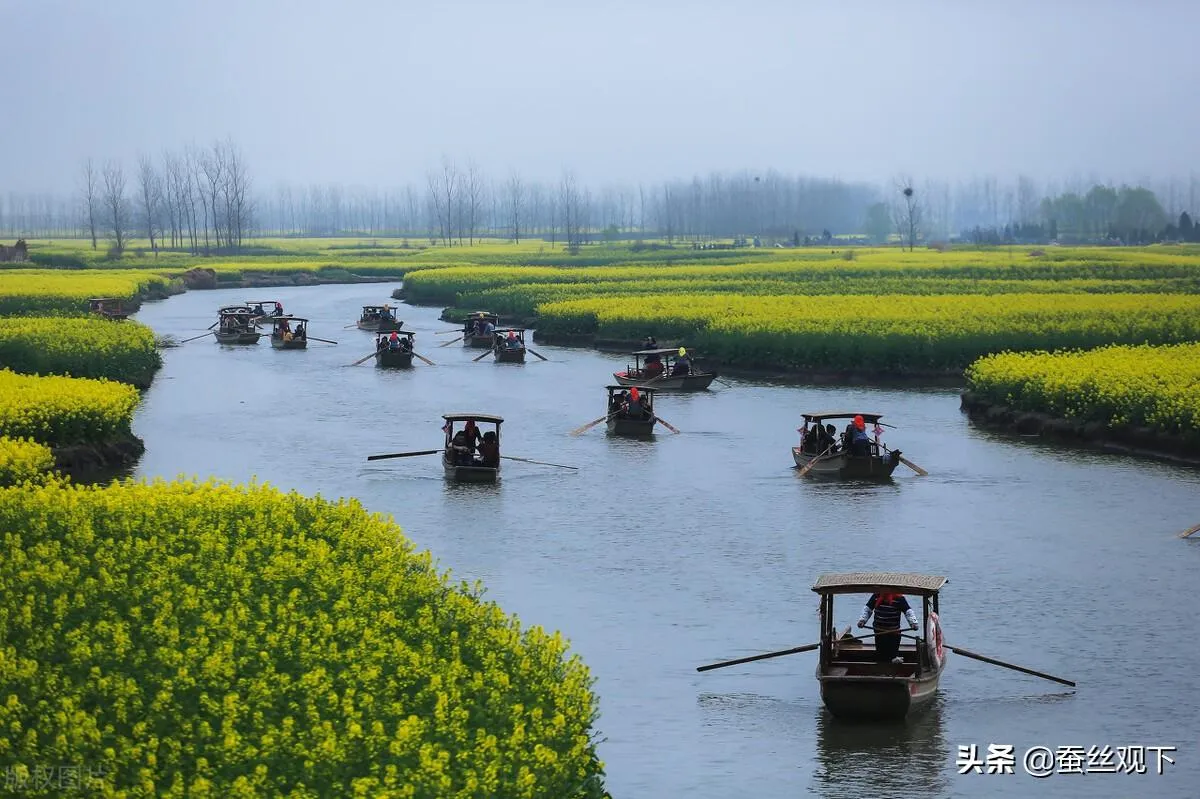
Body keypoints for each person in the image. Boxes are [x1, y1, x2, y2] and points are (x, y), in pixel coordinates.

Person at [857, 591, 919, 664]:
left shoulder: (899, 598)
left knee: (893, 647)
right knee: (880, 649)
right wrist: (862, 620)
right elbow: (868, 609)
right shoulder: (876, 596)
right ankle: (882, 663)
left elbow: (908, 611)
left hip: (894, 631)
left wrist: (913, 623)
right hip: (879, 630)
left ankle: (893, 658)